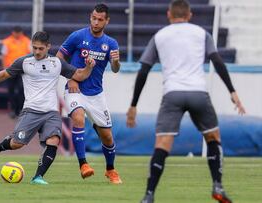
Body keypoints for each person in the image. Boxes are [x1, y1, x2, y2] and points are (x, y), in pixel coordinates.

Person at [126, 1, 246, 202]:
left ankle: (149, 195)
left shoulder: (160, 36)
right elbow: (217, 61)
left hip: (172, 94)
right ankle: (217, 185)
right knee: (213, 138)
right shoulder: (201, 33)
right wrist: (232, 92)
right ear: (190, 15)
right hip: (198, 92)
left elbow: (143, 71)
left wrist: (133, 105)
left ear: (168, 14)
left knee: (162, 144)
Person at [0, 31, 96, 185]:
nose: (36, 51)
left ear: (48, 47)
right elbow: (3, 75)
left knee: (54, 140)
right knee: (17, 143)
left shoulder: (57, 63)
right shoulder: (24, 62)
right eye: (34, 48)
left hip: (51, 112)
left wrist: (89, 67)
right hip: (31, 110)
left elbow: (79, 75)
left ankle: (38, 177)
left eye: (40, 48)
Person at [56, 3, 122, 184]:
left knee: (107, 137)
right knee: (78, 117)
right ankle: (83, 164)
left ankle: (110, 170)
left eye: (100, 19)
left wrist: (116, 62)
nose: (96, 22)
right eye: (94, 18)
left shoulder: (110, 43)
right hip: (75, 89)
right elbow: (58, 59)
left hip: (96, 94)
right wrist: (70, 78)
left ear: (106, 21)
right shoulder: (77, 36)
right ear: (90, 17)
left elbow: (115, 70)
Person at [1, 26, 31, 118]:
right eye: (16, 32)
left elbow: (30, 54)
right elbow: (3, 55)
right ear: (12, 32)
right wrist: (4, 69)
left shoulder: (27, 41)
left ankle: (20, 109)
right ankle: (13, 110)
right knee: (11, 90)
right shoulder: (7, 42)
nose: (17, 34)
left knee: (22, 90)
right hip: (11, 69)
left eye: (19, 32)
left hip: (23, 70)